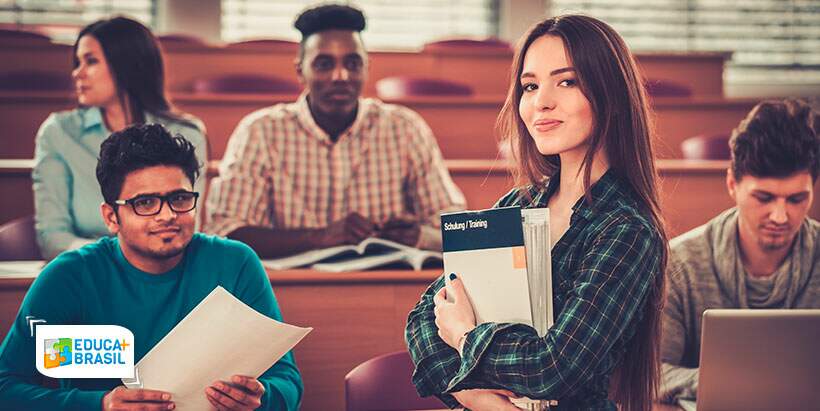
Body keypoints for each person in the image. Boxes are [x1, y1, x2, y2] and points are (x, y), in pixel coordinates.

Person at [405, 15, 668, 411]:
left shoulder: (628, 229)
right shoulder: (518, 204)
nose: (541, 101)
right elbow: (424, 319)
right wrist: (471, 394)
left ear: (611, 95)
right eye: (530, 86)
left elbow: (555, 368)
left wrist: (464, 338)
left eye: (567, 81)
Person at [0, 124, 301, 410]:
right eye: (145, 203)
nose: (167, 215)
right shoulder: (69, 276)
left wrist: (261, 399)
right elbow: (6, 386)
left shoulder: (235, 262)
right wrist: (98, 405)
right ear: (111, 217)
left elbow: (288, 383)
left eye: (180, 198)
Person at [204, 4, 465, 257]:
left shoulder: (406, 128)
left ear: (367, 67)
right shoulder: (260, 132)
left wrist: (418, 235)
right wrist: (319, 236)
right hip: (292, 289)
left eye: (352, 63)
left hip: (384, 286)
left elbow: (455, 224)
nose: (340, 76)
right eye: (324, 64)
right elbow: (225, 230)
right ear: (300, 71)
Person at [659, 99, 819, 403]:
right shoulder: (680, 264)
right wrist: (752, 384)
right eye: (764, 197)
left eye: (797, 199)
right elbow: (654, 372)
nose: (780, 216)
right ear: (732, 183)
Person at [33, 16, 208, 260]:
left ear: (126, 65)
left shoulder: (186, 133)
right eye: (77, 63)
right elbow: (53, 237)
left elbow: (187, 226)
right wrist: (118, 261)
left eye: (90, 61)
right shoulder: (58, 132)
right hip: (89, 272)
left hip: (166, 268)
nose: (77, 73)